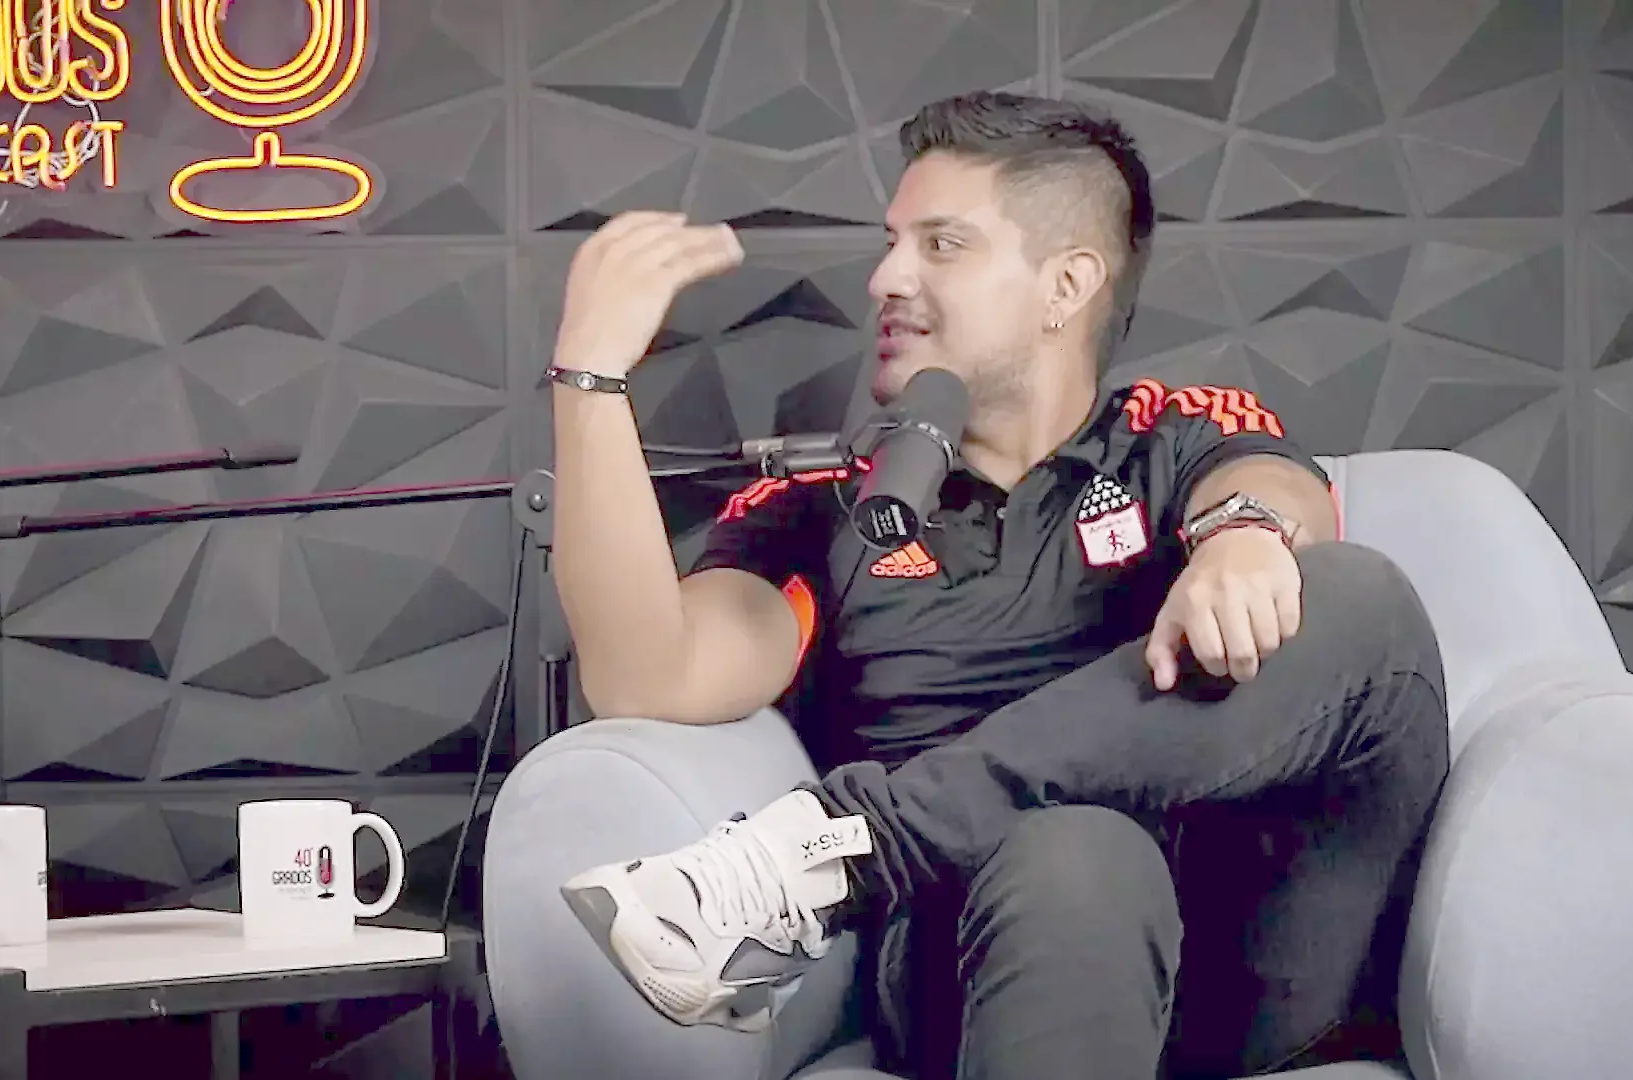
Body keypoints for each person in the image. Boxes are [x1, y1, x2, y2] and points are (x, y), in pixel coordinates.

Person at [545, 91, 1450, 1080]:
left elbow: (1271, 485)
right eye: (893, 244)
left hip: (1243, 963)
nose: (886, 279)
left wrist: (1245, 537)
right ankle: (849, 858)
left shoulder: (1171, 435)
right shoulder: (827, 507)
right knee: (1076, 855)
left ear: (1065, 284)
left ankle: (842, 853)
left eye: (941, 245)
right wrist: (590, 377)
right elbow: (648, 674)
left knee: (1363, 600)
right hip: (979, 955)